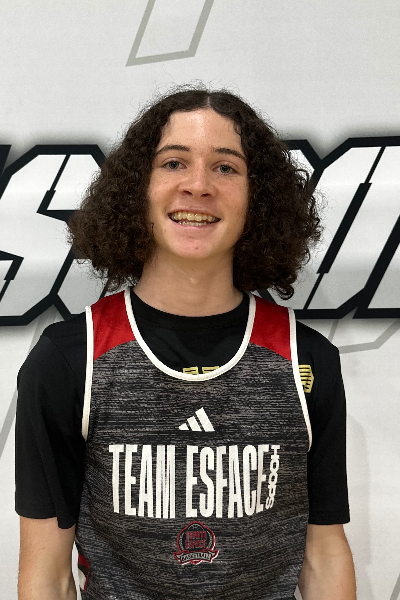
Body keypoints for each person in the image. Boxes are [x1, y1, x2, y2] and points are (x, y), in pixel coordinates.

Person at [15, 86, 356, 599]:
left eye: (226, 167)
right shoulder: (68, 358)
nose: (198, 186)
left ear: (258, 199)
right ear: (138, 188)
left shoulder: (306, 358)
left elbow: (323, 554)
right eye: (173, 163)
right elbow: (48, 575)